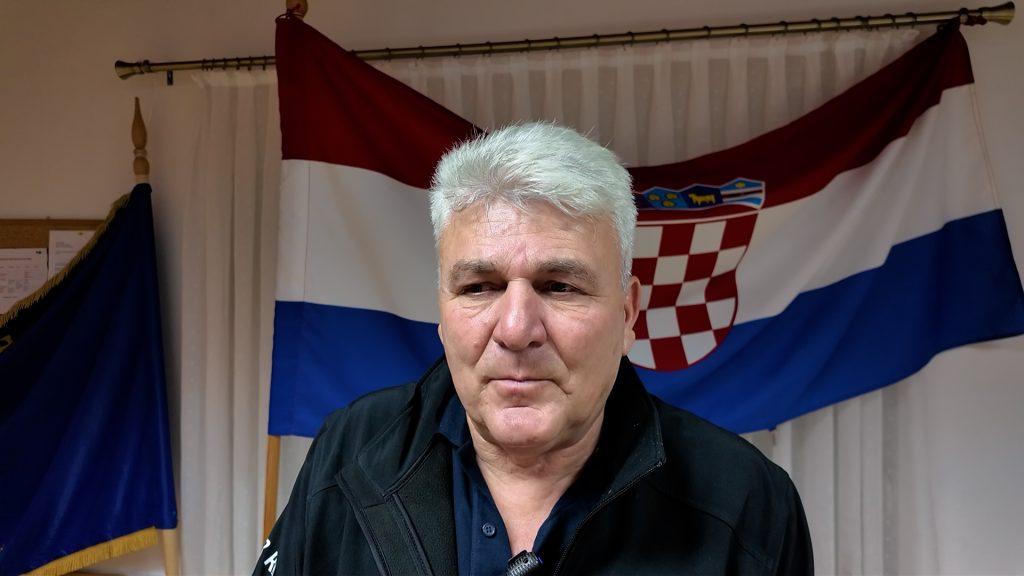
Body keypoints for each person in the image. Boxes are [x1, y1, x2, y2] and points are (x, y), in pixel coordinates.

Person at [255, 123, 813, 575]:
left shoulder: (747, 502)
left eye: (560, 286)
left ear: (627, 314)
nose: (517, 329)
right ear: (442, 313)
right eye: (480, 287)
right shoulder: (350, 451)